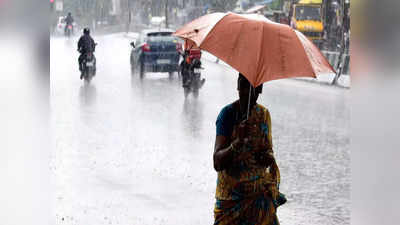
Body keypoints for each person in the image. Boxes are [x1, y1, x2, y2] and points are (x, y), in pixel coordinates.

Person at [213, 73, 286, 224]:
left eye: (254, 88)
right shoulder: (227, 115)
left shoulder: (263, 115)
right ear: (238, 86)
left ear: (260, 90)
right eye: (244, 86)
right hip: (231, 202)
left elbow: (268, 151)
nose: (248, 93)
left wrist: (267, 157)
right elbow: (217, 162)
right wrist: (237, 143)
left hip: (258, 199)